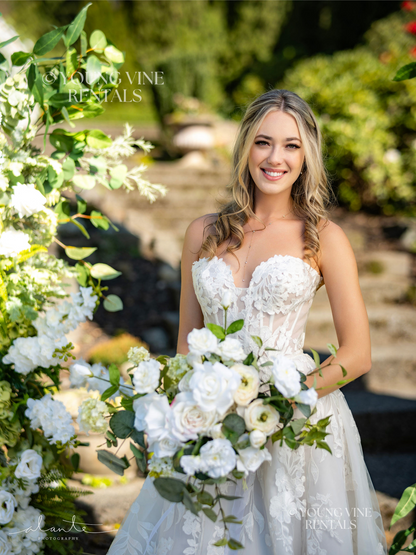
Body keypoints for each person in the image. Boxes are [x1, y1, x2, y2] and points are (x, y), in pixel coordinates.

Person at [106, 89, 387, 555]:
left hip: (297, 425)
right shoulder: (203, 232)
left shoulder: (325, 238)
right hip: (211, 425)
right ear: (245, 148)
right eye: (263, 142)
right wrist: (180, 418)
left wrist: (277, 404)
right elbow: (185, 348)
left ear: (306, 156)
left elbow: (357, 355)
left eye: (291, 145)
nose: (275, 157)